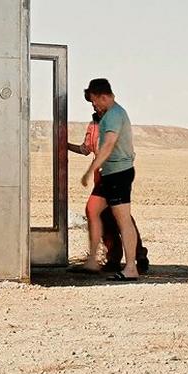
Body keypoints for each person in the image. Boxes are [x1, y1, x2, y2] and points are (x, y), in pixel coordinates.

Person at [69, 90, 148, 274]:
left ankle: (138, 257)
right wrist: (64, 145)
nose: (95, 106)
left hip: (114, 172)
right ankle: (114, 257)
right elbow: (85, 149)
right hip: (102, 176)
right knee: (105, 215)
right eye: (93, 104)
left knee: (119, 215)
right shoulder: (94, 125)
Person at [80, 79, 139, 279]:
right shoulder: (109, 115)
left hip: (119, 173)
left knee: (123, 220)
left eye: (95, 101)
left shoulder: (114, 115)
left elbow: (108, 145)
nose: (94, 106)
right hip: (109, 173)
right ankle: (92, 261)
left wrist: (90, 170)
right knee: (92, 209)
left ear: (104, 97)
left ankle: (131, 267)